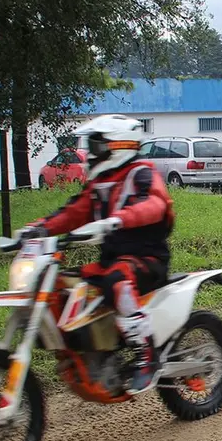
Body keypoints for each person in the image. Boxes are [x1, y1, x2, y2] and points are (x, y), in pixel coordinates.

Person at [22, 114, 176, 395]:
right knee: (62, 284)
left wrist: (117, 220)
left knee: (118, 278)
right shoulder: (99, 183)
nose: (90, 152)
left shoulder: (141, 172)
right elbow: (73, 212)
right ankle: (86, 350)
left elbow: (154, 204)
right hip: (112, 260)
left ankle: (146, 355)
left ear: (117, 146)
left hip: (146, 259)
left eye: (96, 145)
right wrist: (36, 230)